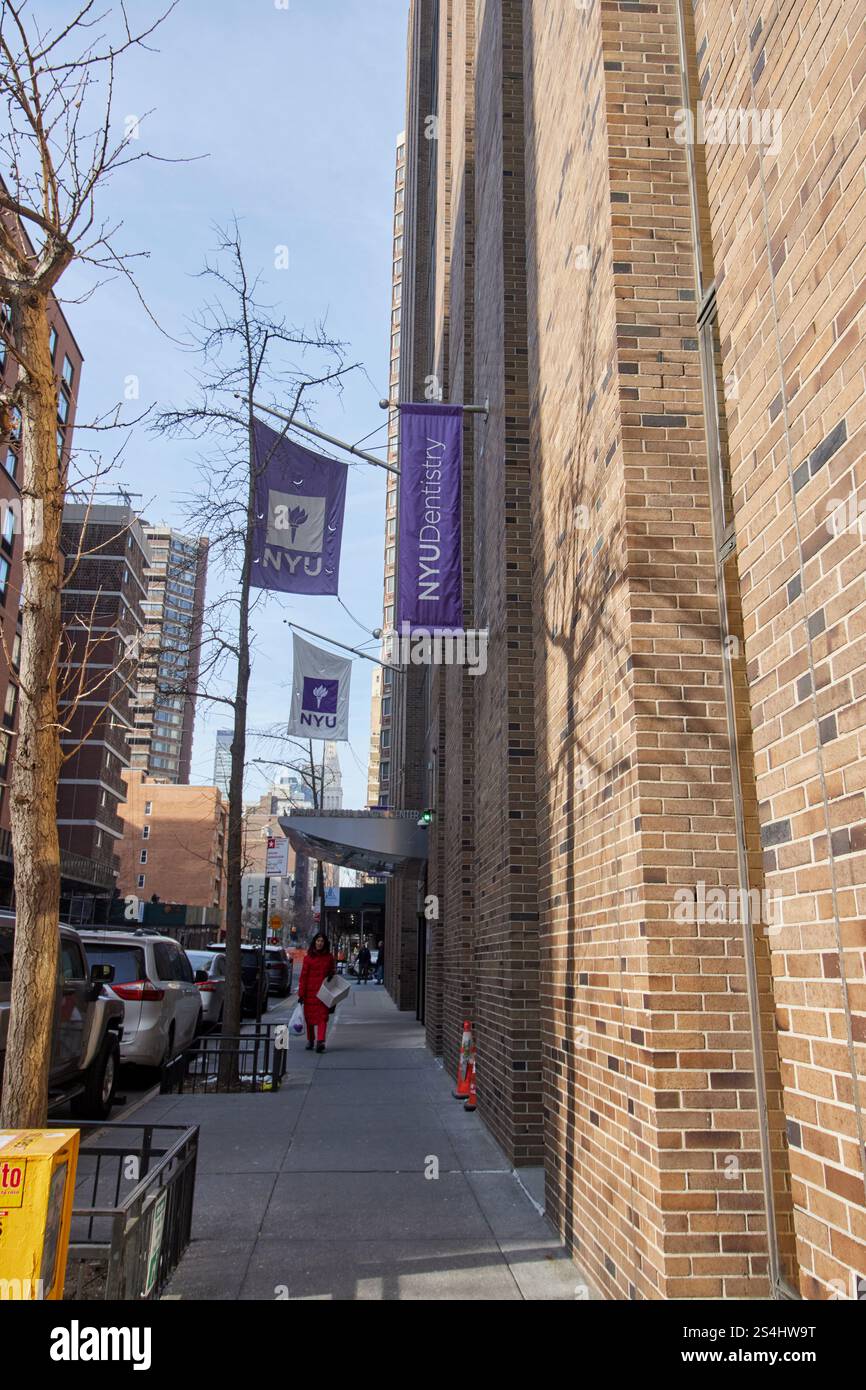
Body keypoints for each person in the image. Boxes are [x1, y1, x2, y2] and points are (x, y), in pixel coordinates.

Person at [298, 933, 337, 1052]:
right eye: (318, 941)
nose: (319, 943)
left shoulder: (329, 957)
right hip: (310, 992)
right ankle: (310, 1040)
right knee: (309, 1018)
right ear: (314, 942)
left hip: (323, 992)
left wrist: (331, 974)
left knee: (322, 1017)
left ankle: (320, 1041)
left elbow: (332, 971)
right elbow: (303, 977)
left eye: (322, 941)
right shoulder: (308, 958)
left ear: (325, 943)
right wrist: (301, 994)